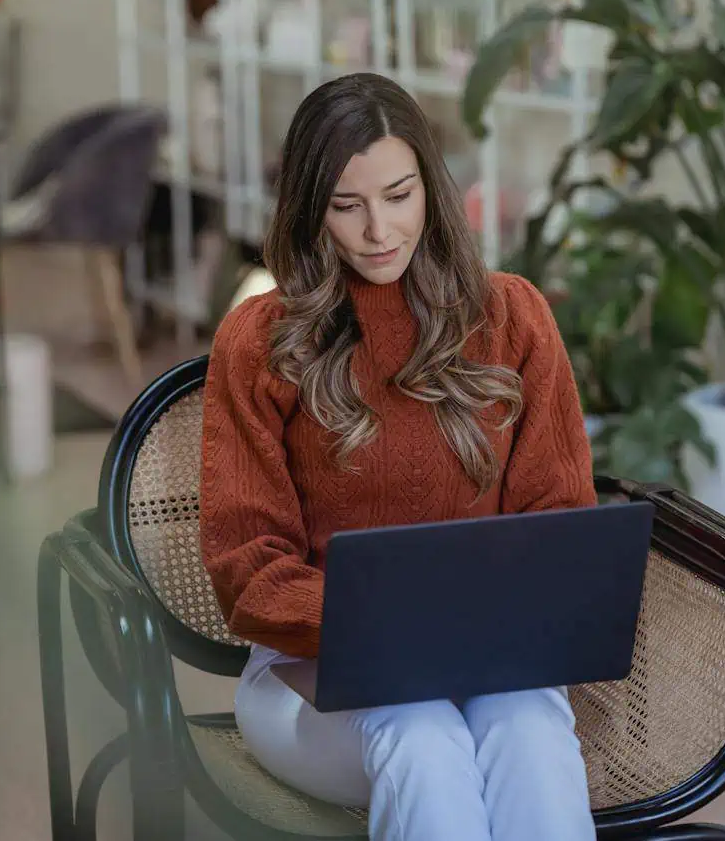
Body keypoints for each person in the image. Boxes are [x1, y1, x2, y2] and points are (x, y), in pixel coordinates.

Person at [198, 72, 597, 841]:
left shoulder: (512, 317)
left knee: (531, 731)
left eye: (399, 195)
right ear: (310, 212)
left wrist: (474, 631)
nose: (379, 230)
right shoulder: (260, 341)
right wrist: (392, 628)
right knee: (422, 735)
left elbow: (559, 523)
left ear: (432, 189)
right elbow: (247, 568)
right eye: (347, 207)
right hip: (307, 675)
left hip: (489, 664)